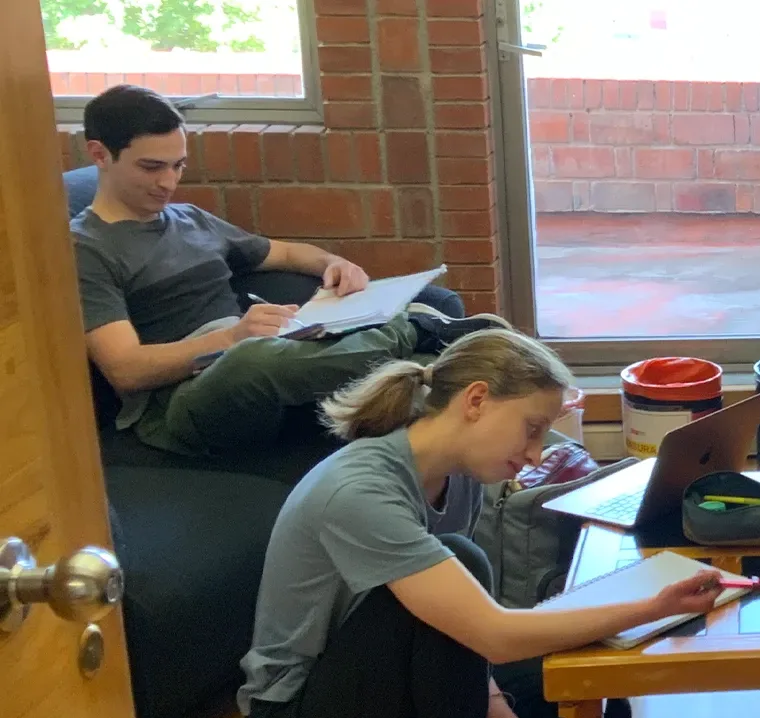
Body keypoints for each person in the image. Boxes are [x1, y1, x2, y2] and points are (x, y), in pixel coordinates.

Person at [237, 329, 730, 718]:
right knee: (463, 560)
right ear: (476, 400)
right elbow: (489, 632)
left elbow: (454, 628)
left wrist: (489, 699)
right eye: (533, 428)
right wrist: (653, 607)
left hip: (379, 680)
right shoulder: (359, 491)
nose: (538, 452)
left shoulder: (459, 477)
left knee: (598, 716)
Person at [73, 84, 503, 458]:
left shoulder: (190, 219)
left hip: (271, 357)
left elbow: (286, 253)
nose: (168, 182)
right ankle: (415, 333)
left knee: (437, 301)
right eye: (152, 167)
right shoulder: (85, 248)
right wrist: (230, 338)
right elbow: (125, 369)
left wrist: (336, 265)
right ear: (100, 154)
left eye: (178, 165)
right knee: (251, 360)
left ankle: (436, 354)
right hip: (180, 404)